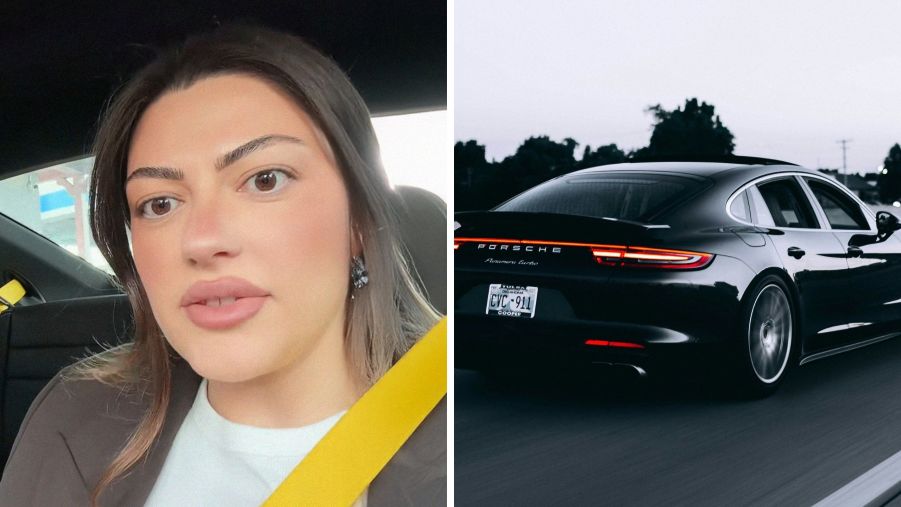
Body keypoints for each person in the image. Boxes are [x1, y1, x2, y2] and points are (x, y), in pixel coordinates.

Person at [0, 23, 444, 506]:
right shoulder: (72, 418)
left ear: (359, 218)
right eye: (160, 204)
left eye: (265, 179)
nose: (202, 240)